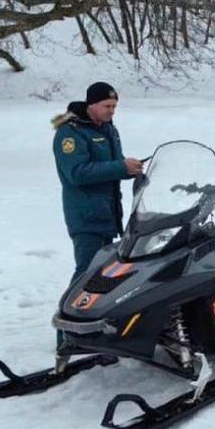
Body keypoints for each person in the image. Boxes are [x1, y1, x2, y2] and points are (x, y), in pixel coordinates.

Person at [51, 82, 143, 285]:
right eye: (107, 106)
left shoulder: (108, 129)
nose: (111, 111)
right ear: (91, 105)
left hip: (108, 213)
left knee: (104, 271)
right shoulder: (70, 133)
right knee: (87, 273)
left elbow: (113, 164)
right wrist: (121, 167)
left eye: (114, 106)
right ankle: (70, 313)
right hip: (86, 215)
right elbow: (77, 173)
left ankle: (94, 315)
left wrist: (131, 169)